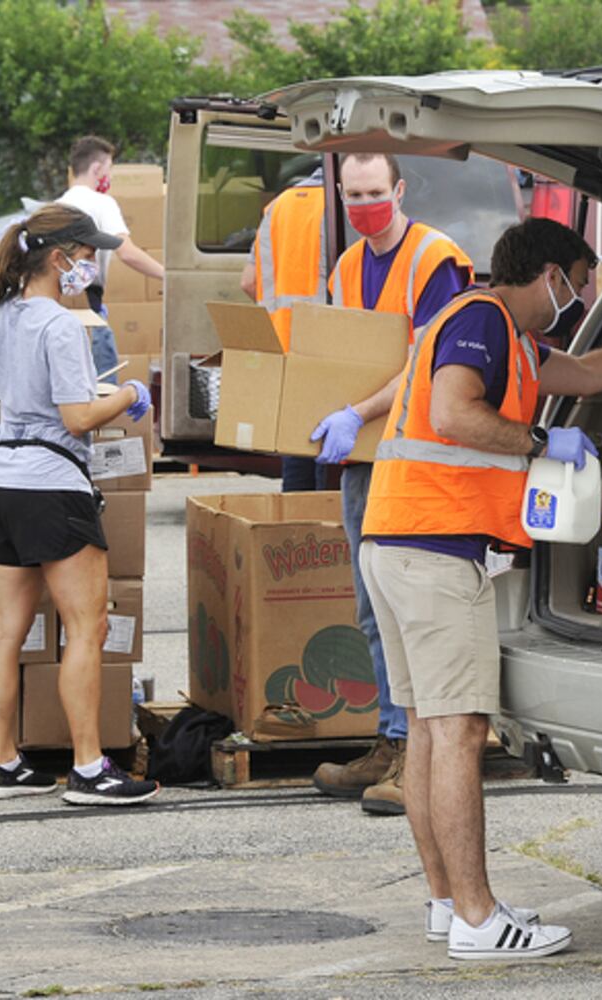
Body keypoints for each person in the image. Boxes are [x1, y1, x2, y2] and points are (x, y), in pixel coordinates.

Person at [357, 217, 602, 958]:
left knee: (435, 731)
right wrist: (538, 442)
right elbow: (452, 413)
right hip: (434, 550)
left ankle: (447, 905)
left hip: (401, 542)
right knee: (461, 731)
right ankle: (477, 917)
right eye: (579, 281)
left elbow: (589, 373)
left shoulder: (513, 343)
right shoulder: (482, 320)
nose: (581, 295)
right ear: (547, 274)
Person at [0, 203, 159, 806]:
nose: (89, 267)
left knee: (6, 630)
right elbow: (78, 416)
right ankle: (89, 769)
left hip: (1, 480)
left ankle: (5, 765)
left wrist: (0, 254)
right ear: (58, 259)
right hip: (52, 481)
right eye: (85, 256)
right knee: (87, 626)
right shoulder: (60, 325)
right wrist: (131, 392)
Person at [306, 152, 472, 814]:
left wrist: (357, 412)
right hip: (366, 456)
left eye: (375, 192)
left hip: (418, 456)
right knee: (372, 607)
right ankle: (390, 736)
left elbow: (433, 361)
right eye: (353, 195)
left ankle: (418, 755)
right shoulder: (348, 266)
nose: (365, 204)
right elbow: (340, 354)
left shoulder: (435, 259)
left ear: (399, 189)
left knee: (415, 609)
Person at [239, 162, 331, 493]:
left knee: (297, 448)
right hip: (328, 349)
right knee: (328, 451)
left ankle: (294, 536)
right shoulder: (340, 205)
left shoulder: (278, 206)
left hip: (282, 347)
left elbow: (248, 282)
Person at [57, 135, 165, 380]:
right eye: (109, 169)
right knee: (103, 392)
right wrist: (167, 276)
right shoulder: (102, 204)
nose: (111, 177)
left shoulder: (55, 206)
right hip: (89, 314)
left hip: (55, 314)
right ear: (97, 169)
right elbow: (127, 252)